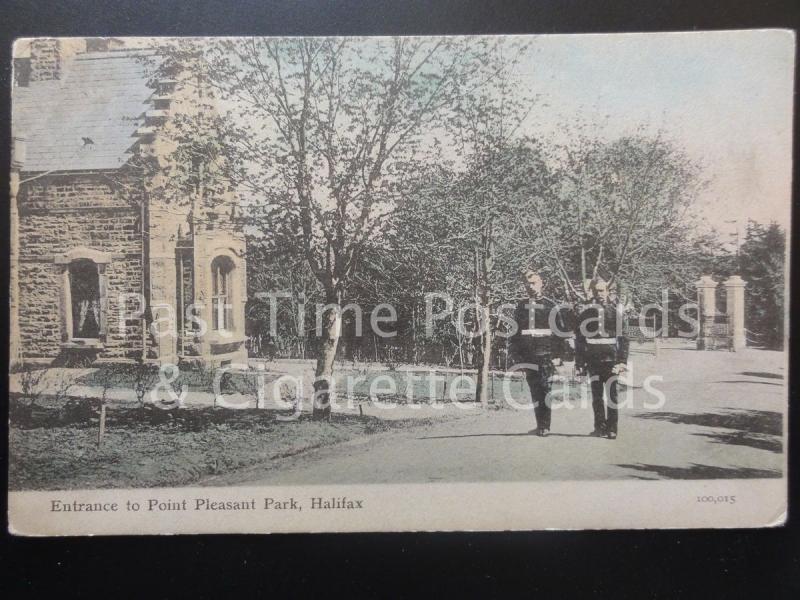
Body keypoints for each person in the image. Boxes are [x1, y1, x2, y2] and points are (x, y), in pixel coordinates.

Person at [509, 268, 573, 437]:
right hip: (528, 355)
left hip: (545, 355)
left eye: (534, 283)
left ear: (541, 284)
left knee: (544, 389)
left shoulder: (551, 306)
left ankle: (545, 426)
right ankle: (540, 424)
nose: (530, 287)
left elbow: (560, 334)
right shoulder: (521, 307)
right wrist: (516, 355)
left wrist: (559, 357)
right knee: (535, 390)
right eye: (527, 284)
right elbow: (516, 333)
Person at [574, 277, 629, 439]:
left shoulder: (615, 313)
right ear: (592, 292)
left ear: (608, 291)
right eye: (597, 291)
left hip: (611, 361)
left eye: (603, 290)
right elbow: (580, 340)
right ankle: (599, 426)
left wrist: (622, 362)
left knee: (612, 396)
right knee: (596, 397)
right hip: (593, 362)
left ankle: (612, 428)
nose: (600, 294)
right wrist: (579, 363)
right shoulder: (585, 314)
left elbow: (624, 339)